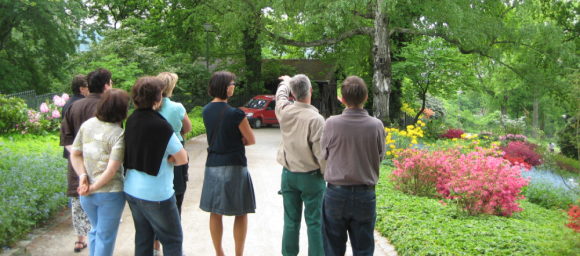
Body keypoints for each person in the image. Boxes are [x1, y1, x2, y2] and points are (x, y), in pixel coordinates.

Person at [320, 76, 386, 256]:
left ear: (342, 98)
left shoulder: (331, 123)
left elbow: (323, 154)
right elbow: (379, 156)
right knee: (364, 248)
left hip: (336, 193)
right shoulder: (376, 125)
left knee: (332, 247)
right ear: (365, 98)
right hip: (365, 193)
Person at [123, 76, 188, 256]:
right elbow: (182, 158)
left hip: (132, 189)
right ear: (158, 98)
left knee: (143, 239)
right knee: (172, 239)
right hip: (156, 193)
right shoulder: (161, 125)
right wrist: (169, 158)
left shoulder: (131, 119)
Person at [199, 71, 256, 256]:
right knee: (241, 210)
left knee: (215, 211)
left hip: (213, 163)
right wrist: (239, 139)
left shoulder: (206, 110)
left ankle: (219, 252)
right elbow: (251, 139)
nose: (234, 86)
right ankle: (238, 253)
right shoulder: (235, 114)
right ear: (225, 86)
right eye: (233, 83)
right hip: (235, 165)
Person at [70, 89, 129, 256]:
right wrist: (94, 187)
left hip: (86, 193)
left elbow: (75, 153)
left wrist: (83, 178)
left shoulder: (87, 125)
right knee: (106, 236)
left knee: (95, 231)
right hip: (110, 193)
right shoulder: (118, 133)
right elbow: (112, 169)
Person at [60, 68, 113, 253]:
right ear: (107, 85)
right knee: (104, 225)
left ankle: (82, 242)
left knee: (83, 212)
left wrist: (78, 158)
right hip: (104, 174)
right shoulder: (108, 107)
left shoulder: (73, 107)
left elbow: (66, 140)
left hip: (78, 170)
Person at [275, 74, 326, 256]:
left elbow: (280, 97)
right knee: (314, 222)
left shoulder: (284, 111)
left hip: (288, 174)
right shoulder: (316, 119)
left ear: (293, 93)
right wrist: (325, 174)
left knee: (290, 221)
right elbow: (321, 154)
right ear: (310, 91)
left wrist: (285, 83)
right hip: (311, 177)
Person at [153, 72, 192, 254]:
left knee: (155, 199)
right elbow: (188, 128)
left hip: (154, 154)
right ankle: (174, 242)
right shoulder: (177, 107)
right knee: (176, 196)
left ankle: (155, 244)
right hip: (176, 153)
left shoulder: (150, 108)